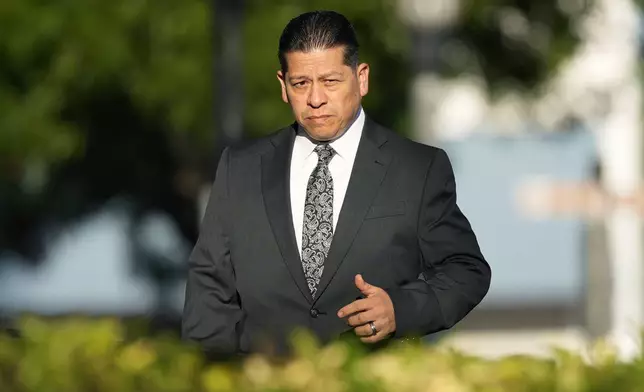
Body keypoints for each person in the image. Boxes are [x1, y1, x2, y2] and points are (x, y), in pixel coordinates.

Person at [182, 10, 491, 359]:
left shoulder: (416, 169)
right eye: (301, 84)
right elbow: (208, 289)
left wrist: (400, 309)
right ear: (283, 85)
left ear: (361, 79)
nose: (315, 99)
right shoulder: (239, 170)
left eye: (330, 81)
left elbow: (465, 270)